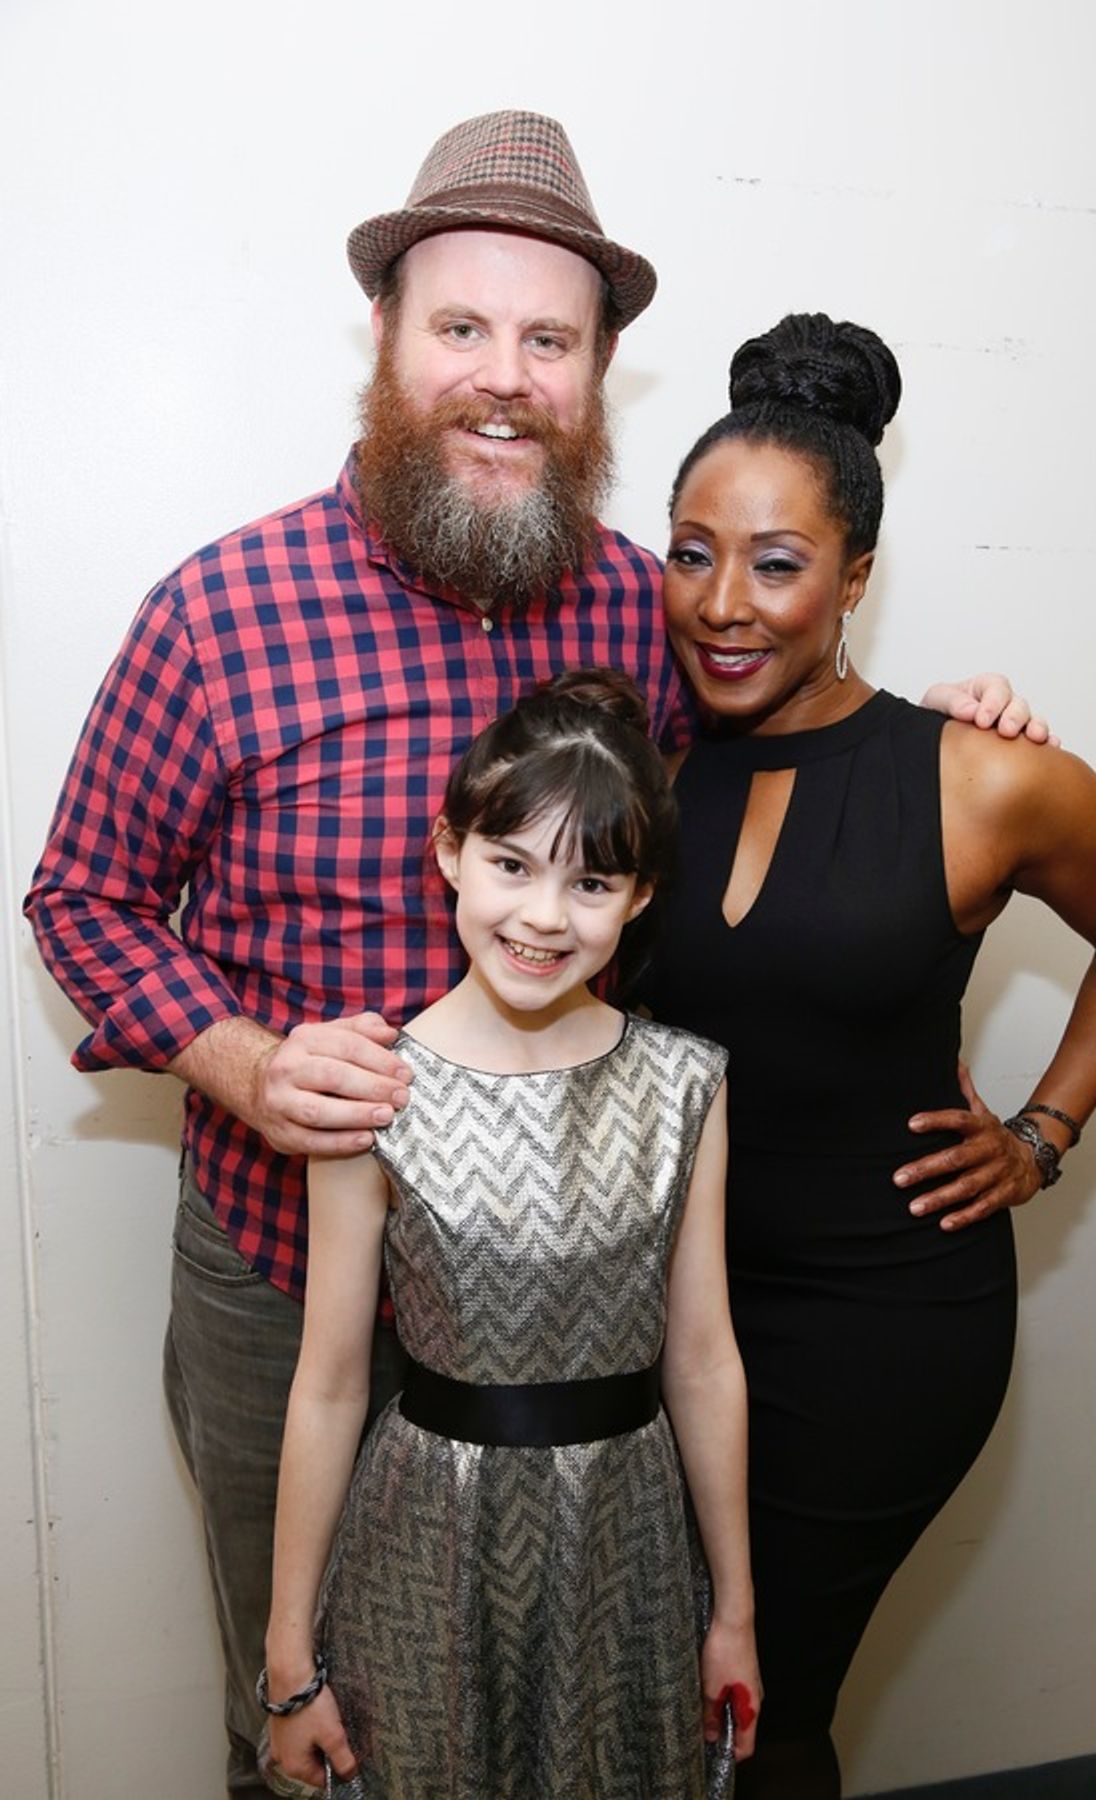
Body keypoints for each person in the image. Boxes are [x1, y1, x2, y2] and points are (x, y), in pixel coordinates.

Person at [24, 109, 1038, 1796]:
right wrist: (242, 1061)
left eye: (548, 340)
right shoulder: (220, 613)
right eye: (463, 327)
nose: (504, 375)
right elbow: (82, 898)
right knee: (317, 1722)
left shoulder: (653, 607)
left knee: (561, 1718)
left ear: (600, 370)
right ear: (387, 337)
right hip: (297, 1278)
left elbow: (807, 724)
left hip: (579, 1309)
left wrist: (967, 736)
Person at [638, 311, 1096, 1799]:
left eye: (777, 562)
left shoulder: (983, 775)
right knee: (659, 1683)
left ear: (855, 580)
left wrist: (1043, 1131)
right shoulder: (648, 773)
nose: (724, 603)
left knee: (761, 1705)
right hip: (668, 1318)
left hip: (879, 1326)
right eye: (691, 553)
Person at [261, 670, 760, 1799]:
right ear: (449, 850)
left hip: (625, 1537)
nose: (544, 916)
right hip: (429, 1542)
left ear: (638, 900)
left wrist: (732, 1609)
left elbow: (702, 1355)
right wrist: (290, 1656)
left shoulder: (684, 1082)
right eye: (511, 864)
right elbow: (332, 1384)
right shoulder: (373, 1086)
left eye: (591, 880)